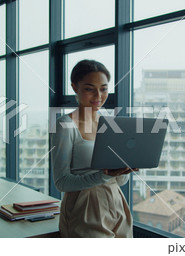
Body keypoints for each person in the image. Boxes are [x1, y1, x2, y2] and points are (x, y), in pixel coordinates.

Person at [51, 59, 138, 238]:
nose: (98, 95)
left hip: (117, 202)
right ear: (75, 87)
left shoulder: (111, 124)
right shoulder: (65, 125)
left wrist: (123, 170)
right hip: (83, 208)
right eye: (90, 88)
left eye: (104, 88)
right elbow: (62, 183)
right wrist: (105, 174)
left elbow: (119, 181)